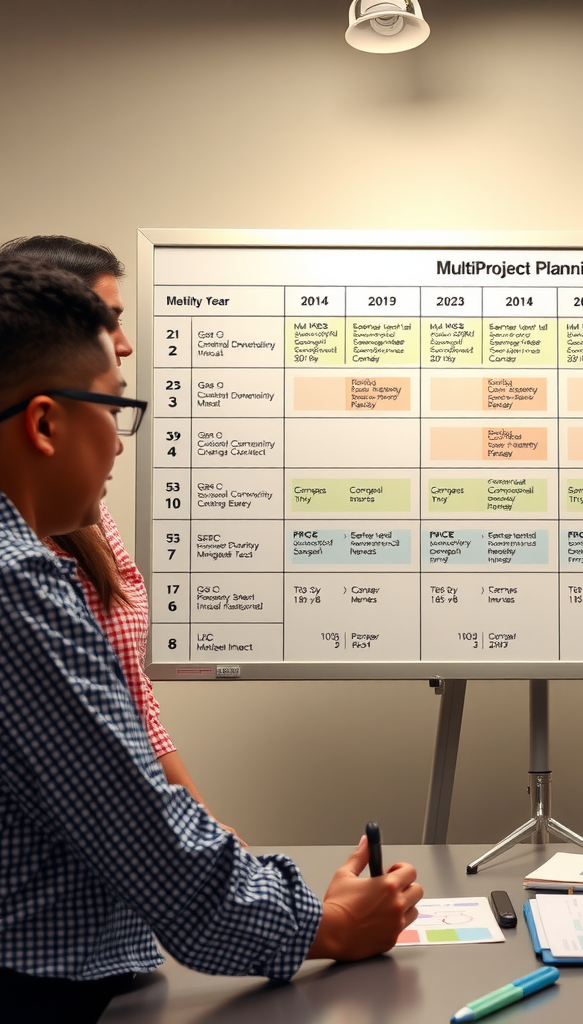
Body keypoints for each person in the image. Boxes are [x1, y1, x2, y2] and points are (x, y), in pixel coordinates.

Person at [0, 256, 422, 1024]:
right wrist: (329, 924)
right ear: (46, 424)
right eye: (114, 407)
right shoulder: (18, 587)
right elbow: (143, 837)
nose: (120, 445)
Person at [0, 234, 217, 813]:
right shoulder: (20, 577)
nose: (124, 343)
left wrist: (216, 836)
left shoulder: (83, 517)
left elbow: (135, 706)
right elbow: (97, 788)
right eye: (108, 320)